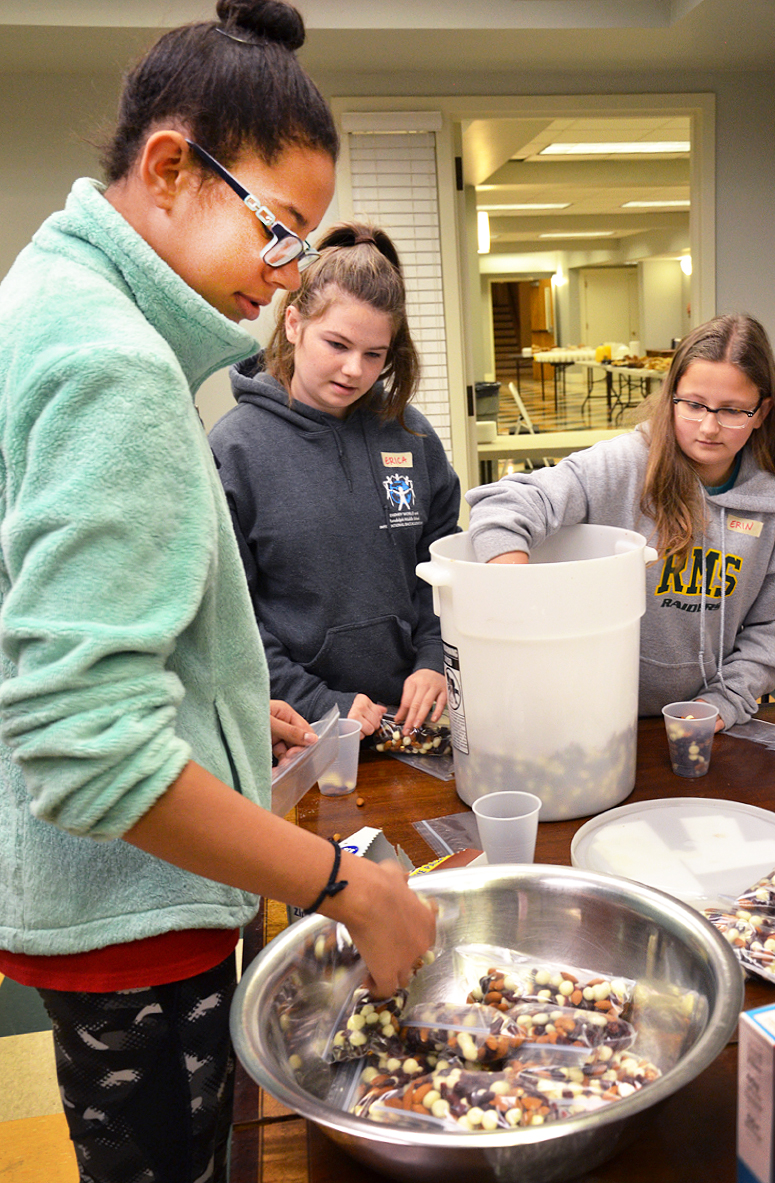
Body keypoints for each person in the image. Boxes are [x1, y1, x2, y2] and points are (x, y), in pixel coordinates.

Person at [0, 4, 435, 1181]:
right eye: (281, 229)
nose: (289, 271)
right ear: (169, 168)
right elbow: (87, 745)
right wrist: (350, 888)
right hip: (137, 916)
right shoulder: (115, 365)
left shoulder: (53, 294)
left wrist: (232, 716)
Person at [468, 314, 775, 733]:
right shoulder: (624, 464)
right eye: (693, 405)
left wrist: (725, 700)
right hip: (592, 716)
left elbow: (772, 628)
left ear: (761, 412)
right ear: (671, 397)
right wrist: (515, 592)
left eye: (731, 411)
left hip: (705, 723)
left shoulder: (772, 502)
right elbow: (503, 503)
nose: (709, 426)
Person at [209, 221, 461, 737]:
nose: (354, 370)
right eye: (337, 344)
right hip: (303, 729)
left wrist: (436, 657)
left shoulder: (411, 437)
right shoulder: (235, 449)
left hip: (415, 722)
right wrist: (320, 702)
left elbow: (444, 567)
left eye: (374, 355)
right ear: (295, 323)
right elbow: (231, 620)